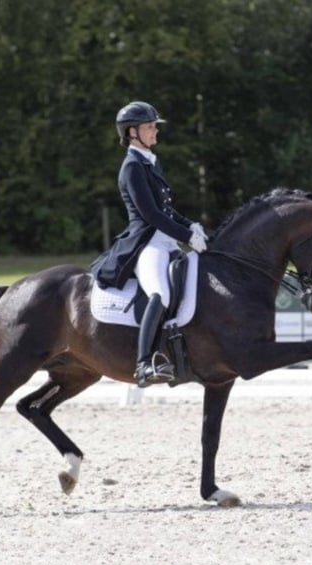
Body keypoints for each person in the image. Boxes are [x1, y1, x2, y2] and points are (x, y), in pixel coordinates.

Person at [92, 101, 208, 388]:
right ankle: (144, 363)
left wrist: (189, 225)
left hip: (166, 240)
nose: (155, 131)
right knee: (160, 293)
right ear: (133, 132)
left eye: (154, 126)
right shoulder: (132, 167)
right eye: (150, 127)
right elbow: (152, 215)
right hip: (147, 245)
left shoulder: (150, 161)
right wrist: (185, 236)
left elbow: (167, 209)